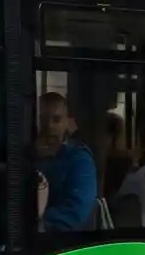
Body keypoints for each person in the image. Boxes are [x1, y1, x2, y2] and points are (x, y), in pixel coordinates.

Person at [34, 92, 98, 232]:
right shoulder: (25, 156)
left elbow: (75, 211)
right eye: (43, 119)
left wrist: (37, 224)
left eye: (56, 120)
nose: (49, 126)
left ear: (67, 123)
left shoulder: (79, 159)